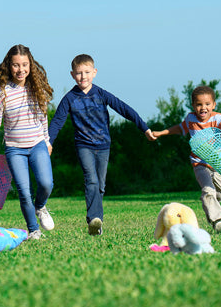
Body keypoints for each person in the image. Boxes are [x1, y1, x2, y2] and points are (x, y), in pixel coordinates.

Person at [48, 54, 156, 236]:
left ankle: (96, 226)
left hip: (103, 145)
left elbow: (124, 109)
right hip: (83, 145)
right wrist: (49, 142)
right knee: (91, 180)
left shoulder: (101, 94)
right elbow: (57, 121)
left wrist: (144, 128)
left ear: (94, 72)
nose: (83, 76)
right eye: (79, 73)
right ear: (72, 75)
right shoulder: (69, 98)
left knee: (100, 186)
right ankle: (94, 218)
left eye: (87, 72)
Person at [0, 44, 54, 239]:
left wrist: (47, 141)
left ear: (30, 65)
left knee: (46, 184)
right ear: (9, 66)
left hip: (38, 145)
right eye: (16, 65)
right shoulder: (3, 93)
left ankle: (40, 206)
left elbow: (43, 118)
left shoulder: (37, 89)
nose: (20, 69)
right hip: (15, 150)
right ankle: (34, 230)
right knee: (24, 192)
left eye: (24, 65)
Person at [152, 84, 221, 232]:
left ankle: (209, 204)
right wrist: (162, 133)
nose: (203, 108)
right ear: (193, 105)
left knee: (220, 192)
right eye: (199, 104)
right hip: (199, 163)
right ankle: (217, 221)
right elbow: (180, 128)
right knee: (208, 190)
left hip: (218, 163)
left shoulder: (217, 118)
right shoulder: (191, 119)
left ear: (214, 105)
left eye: (207, 104)